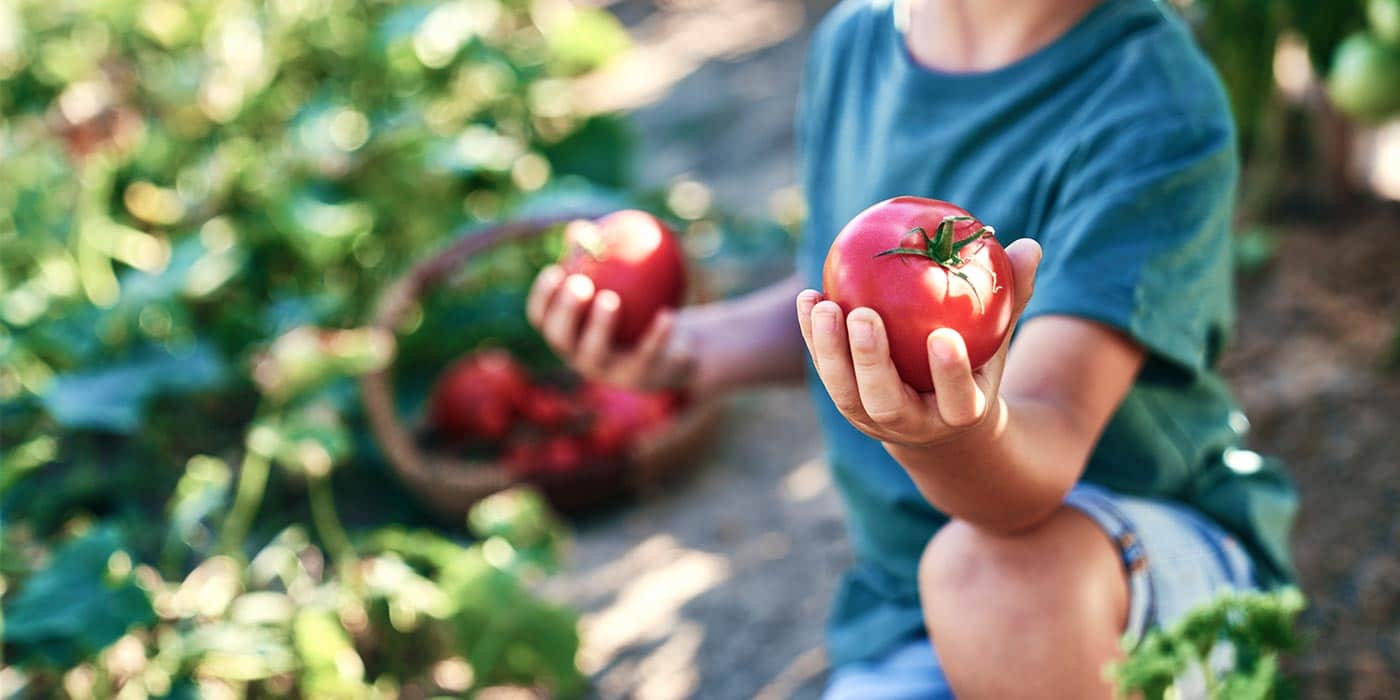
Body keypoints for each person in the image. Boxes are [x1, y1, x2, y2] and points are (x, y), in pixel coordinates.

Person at [526, 0, 1297, 696]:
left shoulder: (1153, 103)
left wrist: (948, 440)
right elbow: (846, 307)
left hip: (1129, 580)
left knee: (993, 584)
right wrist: (683, 348)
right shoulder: (855, 46)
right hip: (911, 610)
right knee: (965, 588)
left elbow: (1040, 454)